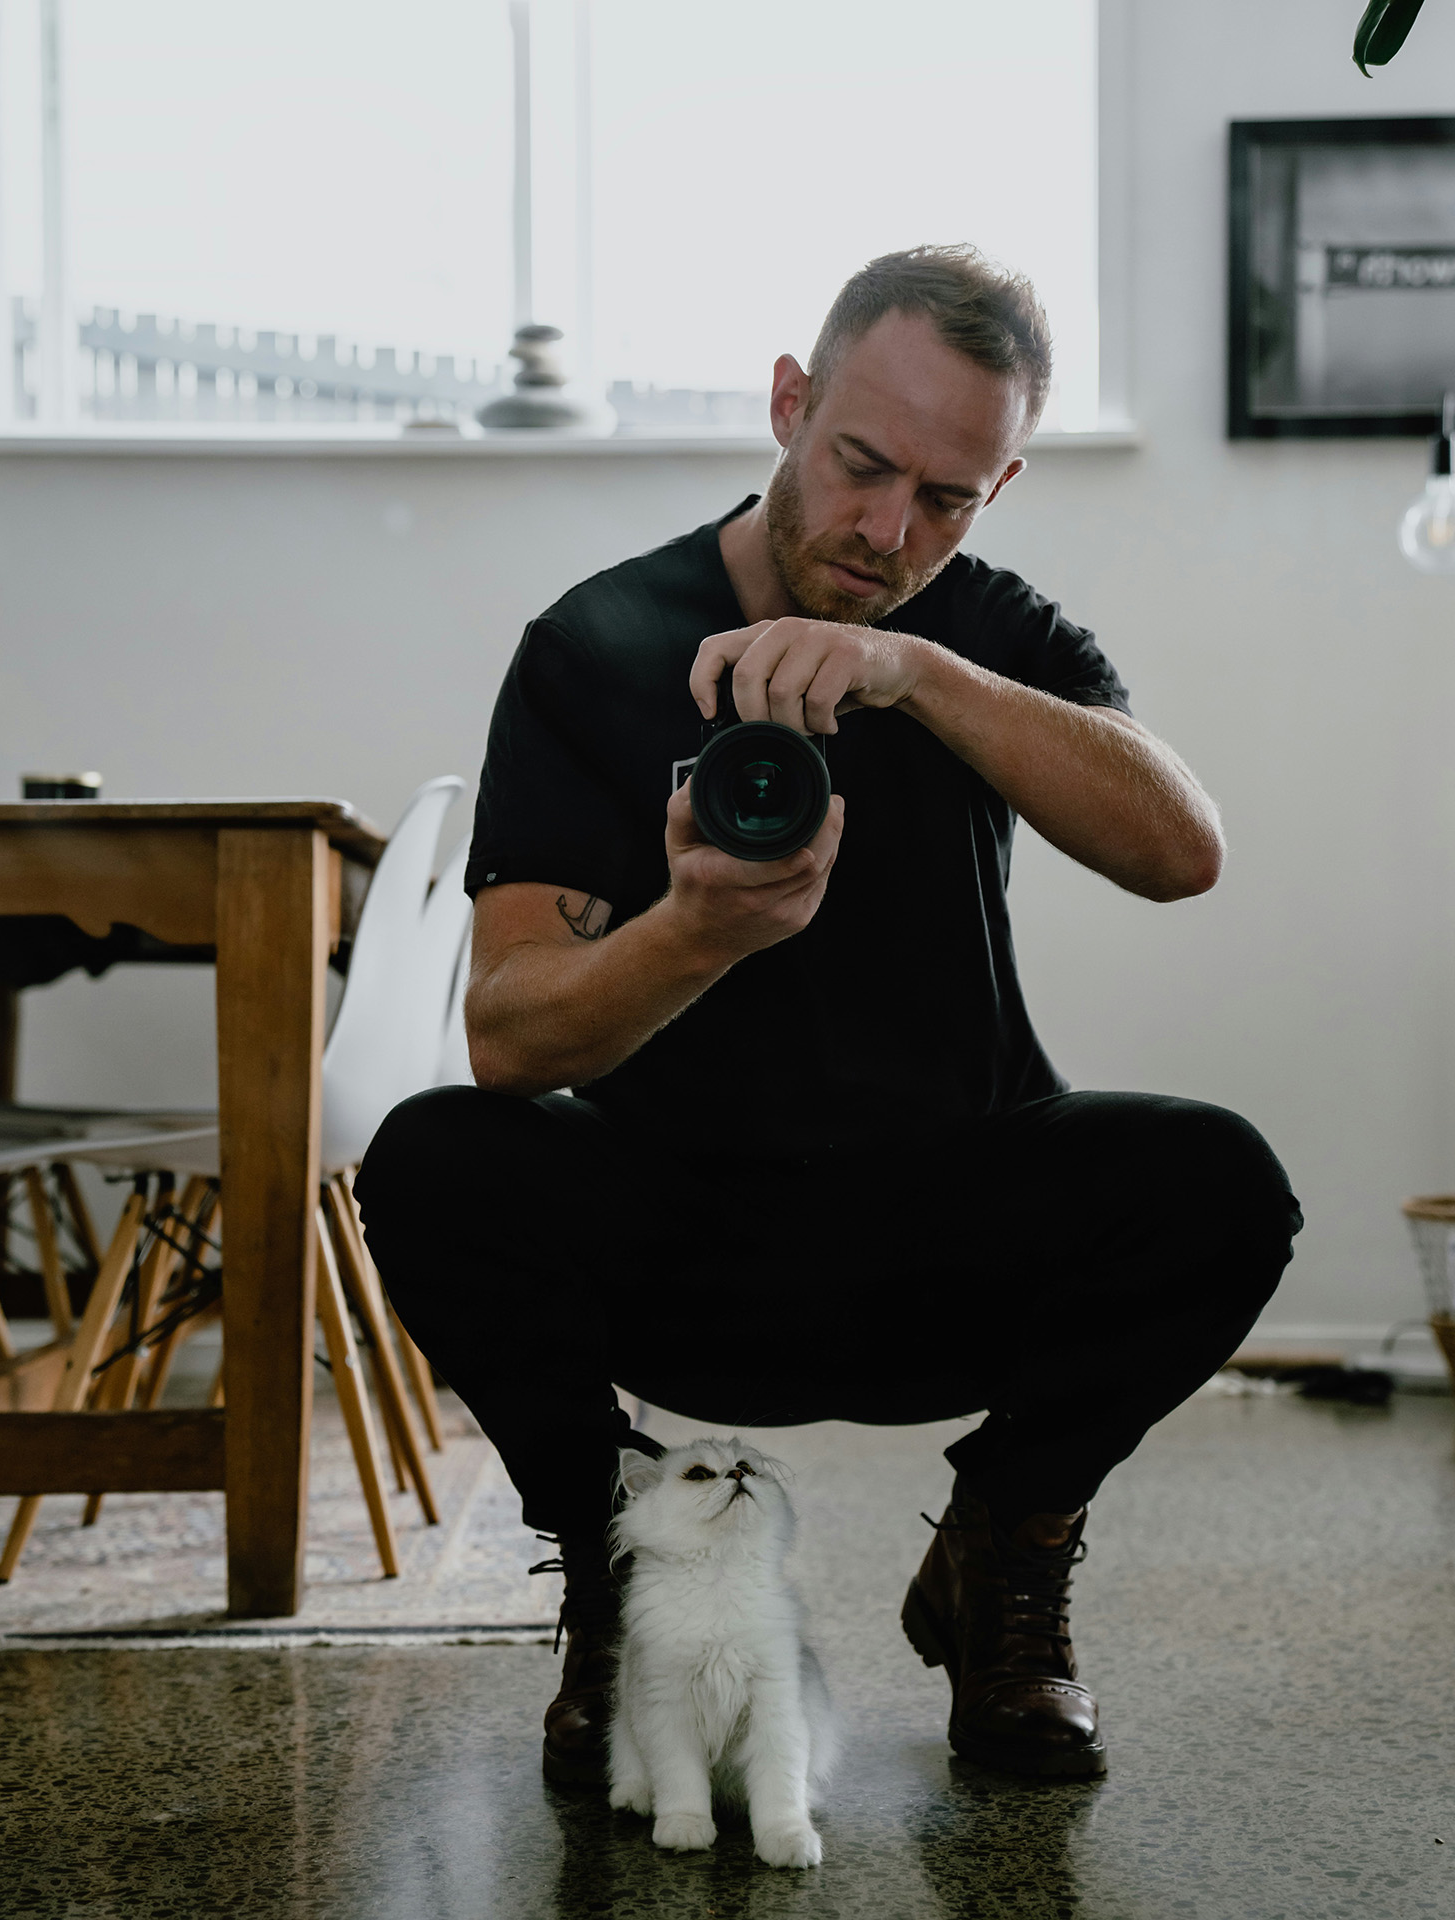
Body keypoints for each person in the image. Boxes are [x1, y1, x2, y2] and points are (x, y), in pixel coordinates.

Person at [356, 245, 1302, 1788]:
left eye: (947, 499)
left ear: (996, 492)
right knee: (432, 1160)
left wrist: (912, 671)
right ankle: (619, 1580)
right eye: (864, 465)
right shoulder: (594, 647)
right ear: (792, 401)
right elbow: (512, 1040)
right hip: (685, 1248)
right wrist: (694, 935)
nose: (886, 531)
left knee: (1224, 1185)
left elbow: (1183, 851)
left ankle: (1007, 1545)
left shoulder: (977, 635)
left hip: (955, 1234)